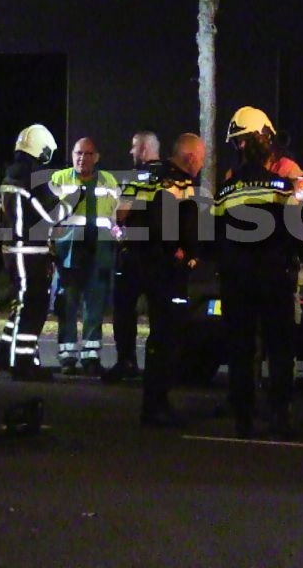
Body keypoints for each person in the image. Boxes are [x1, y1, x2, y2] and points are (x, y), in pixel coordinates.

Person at [212, 106, 303, 439]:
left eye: (242, 142)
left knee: (251, 347)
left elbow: (215, 233)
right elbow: (302, 224)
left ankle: (253, 412)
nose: (238, 148)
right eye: (236, 143)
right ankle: (269, 411)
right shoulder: (277, 184)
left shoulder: (284, 174)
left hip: (243, 279)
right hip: (273, 277)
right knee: (276, 347)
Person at [120, 133, 205, 426]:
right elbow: (169, 222)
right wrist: (181, 253)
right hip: (166, 270)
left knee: (155, 334)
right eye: (202, 159)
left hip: (138, 263)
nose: (201, 165)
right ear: (190, 157)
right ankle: (157, 405)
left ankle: (151, 400)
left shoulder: (143, 176)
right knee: (167, 336)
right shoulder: (177, 181)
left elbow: (120, 214)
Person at [0, 124, 80, 381]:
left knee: (22, 303)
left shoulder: (12, 176)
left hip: (13, 249)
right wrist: (72, 200)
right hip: (28, 251)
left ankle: (4, 354)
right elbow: (49, 216)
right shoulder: (30, 179)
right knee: (34, 306)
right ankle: (24, 362)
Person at [49, 137, 121, 377]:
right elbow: (47, 216)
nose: (83, 158)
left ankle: (91, 357)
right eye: (78, 153)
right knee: (66, 306)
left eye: (88, 154)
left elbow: (115, 218)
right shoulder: (59, 180)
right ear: (72, 155)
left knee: (94, 307)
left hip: (99, 253)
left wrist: (119, 235)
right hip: (67, 254)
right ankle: (67, 356)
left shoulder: (109, 181)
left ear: (97, 156)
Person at [108, 130, 164, 382]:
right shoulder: (172, 176)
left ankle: (126, 361)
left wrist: (116, 228)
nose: (131, 152)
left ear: (143, 150)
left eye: (133, 147)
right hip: (163, 256)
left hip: (135, 255)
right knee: (160, 315)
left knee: (124, 311)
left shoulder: (135, 177)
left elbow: (120, 214)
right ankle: (159, 367)